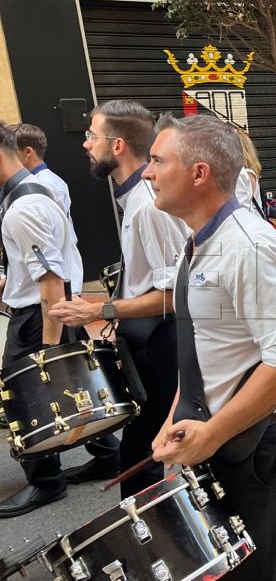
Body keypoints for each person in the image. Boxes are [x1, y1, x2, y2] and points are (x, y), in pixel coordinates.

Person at [146, 114, 276, 581]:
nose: (147, 173)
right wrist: (175, 418)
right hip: (232, 431)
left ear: (199, 173)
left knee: (247, 564)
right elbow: (205, 350)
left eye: (158, 161)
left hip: (260, 438)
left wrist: (212, 433)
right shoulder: (201, 242)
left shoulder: (250, 248)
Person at [49, 100, 185, 497]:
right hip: (147, 340)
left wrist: (99, 309)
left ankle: (153, 529)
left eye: (92, 136)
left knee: (143, 456)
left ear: (118, 145)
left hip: (162, 342)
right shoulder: (135, 200)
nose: (85, 144)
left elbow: (174, 294)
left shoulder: (148, 207)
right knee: (141, 452)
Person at [0, 122, 118, 518]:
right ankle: (108, 456)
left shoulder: (24, 207)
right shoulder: (33, 193)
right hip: (53, 308)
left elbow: (51, 281)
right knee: (75, 385)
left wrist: (46, 352)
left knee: (25, 395)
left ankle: (47, 482)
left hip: (42, 315)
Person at [11, 123, 78, 245]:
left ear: (28, 152)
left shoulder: (46, 184)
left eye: (12, 153)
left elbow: (55, 233)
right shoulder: (46, 180)